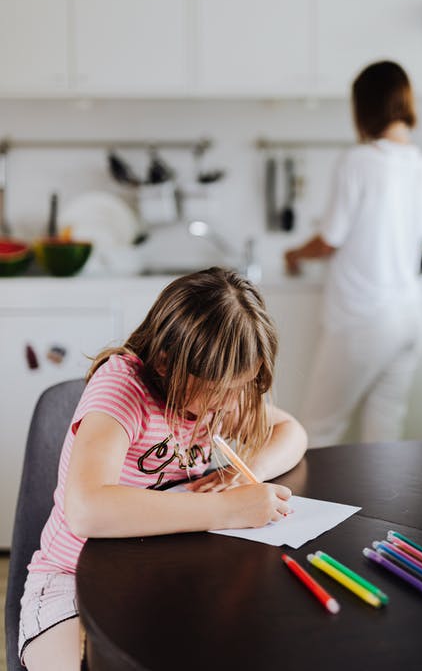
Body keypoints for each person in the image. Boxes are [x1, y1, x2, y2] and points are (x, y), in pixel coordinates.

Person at [19, 267, 307, 670]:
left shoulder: (216, 397)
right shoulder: (121, 390)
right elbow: (86, 509)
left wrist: (239, 474)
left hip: (165, 575)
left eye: (241, 386)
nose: (231, 404)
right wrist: (230, 509)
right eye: (222, 389)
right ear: (167, 364)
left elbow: (291, 432)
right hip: (69, 581)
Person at [285, 60, 422, 448]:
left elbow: (329, 241)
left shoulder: (358, 161)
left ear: (365, 107)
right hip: (408, 318)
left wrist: (294, 254)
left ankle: (308, 511)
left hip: (364, 319)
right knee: (384, 439)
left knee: (318, 431)